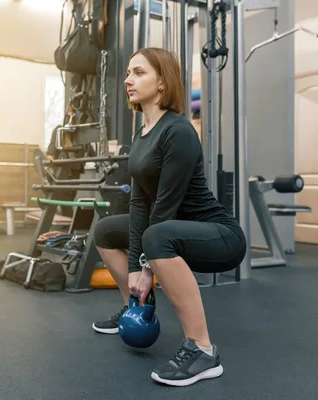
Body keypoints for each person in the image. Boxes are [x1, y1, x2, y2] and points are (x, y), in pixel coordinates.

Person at [90, 47, 247, 387]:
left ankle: (203, 351)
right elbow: (140, 205)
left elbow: (164, 207)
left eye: (139, 72)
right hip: (168, 230)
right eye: (129, 72)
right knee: (105, 230)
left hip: (219, 234)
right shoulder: (142, 134)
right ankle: (135, 308)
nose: (129, 79)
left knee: (156, 235)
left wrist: (147, 268)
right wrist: (135, 268)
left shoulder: (178, 131)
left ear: (162, 81)